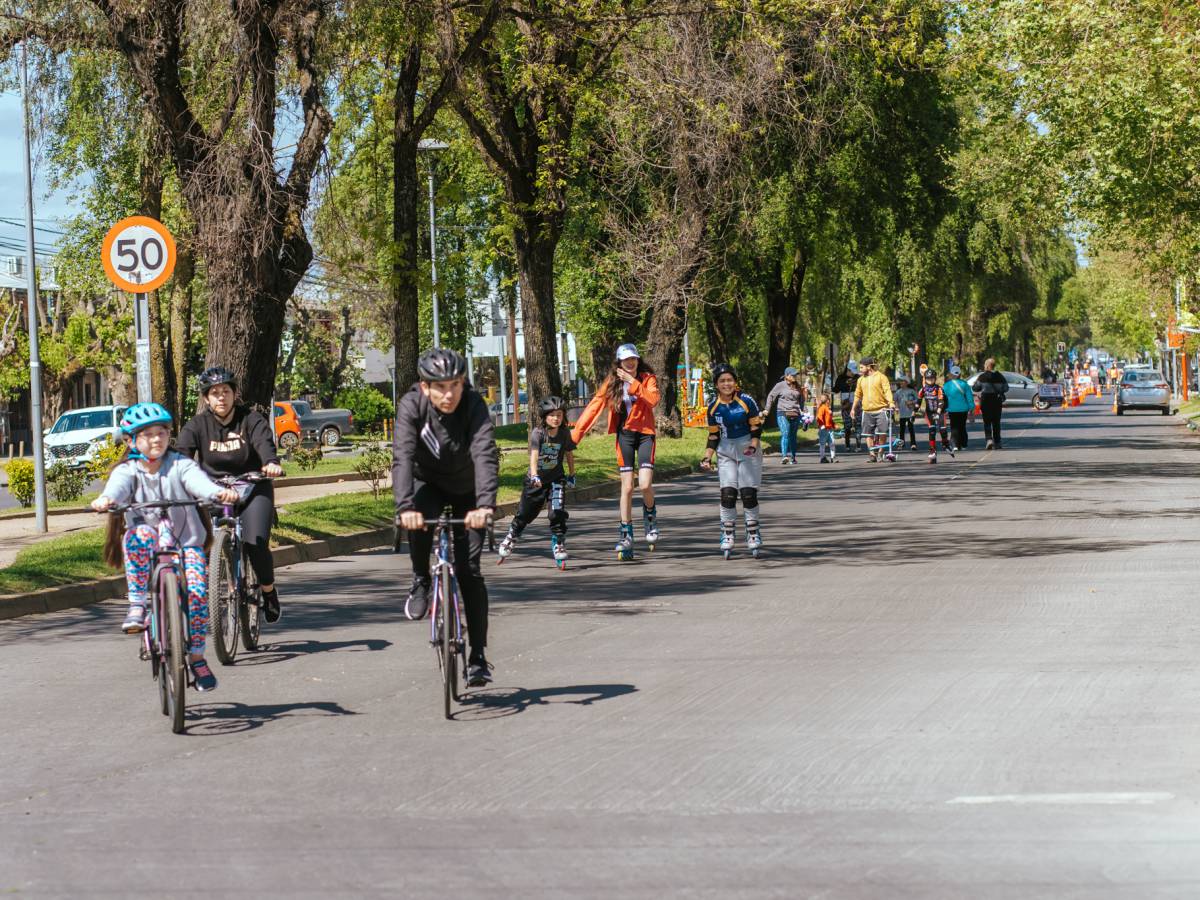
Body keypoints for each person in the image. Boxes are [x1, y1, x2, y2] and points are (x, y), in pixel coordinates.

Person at [93, 403, 240, 693]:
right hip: (150, 544)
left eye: (161, 432)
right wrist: (106, 500)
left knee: (197, 594)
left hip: (185, 544)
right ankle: (138, 605)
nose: (156, 439)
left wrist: (217, 492)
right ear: (132, 440)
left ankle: (197, 658)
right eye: (147, 434)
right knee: (138, 535)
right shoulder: (129, 470)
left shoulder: (179, 464)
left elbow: (198, 482)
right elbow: (116, 488)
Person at [393, 348, 498, 686]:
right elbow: (403, 457)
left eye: (455, 384)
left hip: (468, 489)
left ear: (463, 382)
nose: (448, 394)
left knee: (470, 571)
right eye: (440, 387)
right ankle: (421, 578)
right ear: (425, 388)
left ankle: (478, 656)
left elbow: (484, 453)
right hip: (429, 482)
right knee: (420, 518)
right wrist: (404, 507)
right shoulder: (412, 406)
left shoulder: (473, 405)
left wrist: (485, 506)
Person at [176, 366, 285, 622]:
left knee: (255, 544)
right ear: (206, 399)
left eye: (226, 391)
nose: (221, 397)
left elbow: (263, 443)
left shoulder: (251, 419)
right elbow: (182, 454)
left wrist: (271, 462)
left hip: (252, 488)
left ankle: (268, 591)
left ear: (235, 394)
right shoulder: (197, 425)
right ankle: (207, 585)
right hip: (213, 491)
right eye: (214, 393)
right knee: (195, 541)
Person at [572, 343, 660, 559]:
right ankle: (626, 533)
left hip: (646, 434)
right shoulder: (612, 383)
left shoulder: (648, 378)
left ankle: (650, 518)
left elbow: (653, 400)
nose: (631, 363)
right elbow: (594, 406)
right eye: (626, 360)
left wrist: (633, 382)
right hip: (625, 436)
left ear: (638, 360)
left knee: (645, 484)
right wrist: (575, 436)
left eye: (634, 359)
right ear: (619, 363)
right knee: (627, 487)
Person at [497, 396, 577, 566]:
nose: (556, 418)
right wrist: (534, 475)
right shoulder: (538, 433)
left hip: (556, 479)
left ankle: (559, 542)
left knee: (556, 512)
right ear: (544, 416)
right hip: (535, 481)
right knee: (526, 513)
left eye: (559, 415)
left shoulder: (564, 433)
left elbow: (569, 453)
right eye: (552, 415)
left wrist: (572, 474)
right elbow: (533, 456)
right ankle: (512, 535)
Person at [699, 364, 764, 556]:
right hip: (726, 450)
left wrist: (753, 445)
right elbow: (713, 436)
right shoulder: (713, 407)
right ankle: (727, 534)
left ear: (735, 382)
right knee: (727, 492)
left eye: (730, 380)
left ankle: (753, 533)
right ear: (716, 385)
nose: (727, 384)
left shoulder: (746, 401)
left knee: (747, 493)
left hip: (747, 448)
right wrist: (707, 457)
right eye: (722, 381)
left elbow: (756, 427)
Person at [851, 357, 895, 462]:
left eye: (861, 367)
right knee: (868, 434)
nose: (860, 369)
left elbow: (887, 391)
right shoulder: (860, 380)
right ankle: (872, 454)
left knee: (882, 433)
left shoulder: (881, 377)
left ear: (869, 366)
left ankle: (880, 453)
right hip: (867, 411)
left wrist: (891, 403)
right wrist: (853, 408)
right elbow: (857, 395)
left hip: (881, 410)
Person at [764, 366, 806, 465]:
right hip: (782, 412)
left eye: (796, 374)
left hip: (795, 413)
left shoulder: (797, 386)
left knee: (793, 436)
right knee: (785, 433)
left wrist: (804, 411)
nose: (795, 376)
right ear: (787, 376)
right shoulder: (780, 385)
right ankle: (784, 456)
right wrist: (767, 409)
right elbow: (771, 396)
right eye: (793, 374)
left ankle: (793, 457)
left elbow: (801, 400)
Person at [915, 369, 955, 464]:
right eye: (928, 378)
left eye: (932, 378)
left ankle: (945, 443)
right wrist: (913, 413)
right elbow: (918, 402)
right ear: (925, 379)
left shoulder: (939, 389)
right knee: (932, 430)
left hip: (940, 412)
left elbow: (941, 402)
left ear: (935, 379)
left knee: (943, 430)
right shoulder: (923, 390)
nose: (930, 380)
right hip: (929, 412)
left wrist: (938, 412)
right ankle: (932, 450)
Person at [972, 358, 1009, 449]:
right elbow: (1006, 388)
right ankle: (998, 442)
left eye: (985, 365)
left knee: (987, 421)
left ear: (987, 366)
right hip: (996, 401)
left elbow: (975, 388)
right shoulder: (1000, 376)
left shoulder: (982, 377)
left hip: (985, 401)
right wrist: (999, 390)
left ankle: (989, 440)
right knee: (996, 422)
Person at [833, 360, 862, 452]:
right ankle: (847, 444)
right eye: (851, 371)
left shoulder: (859, 378)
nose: (853, 374)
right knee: (847, 425)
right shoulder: (841, 378)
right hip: (846, 405)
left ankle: (858, 445)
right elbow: (836, 389)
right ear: (848, 370)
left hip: (857, 404)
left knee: (858, 424)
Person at [943, 365, 973, 451]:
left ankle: (954, 444)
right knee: (962, 426)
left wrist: (943, 408)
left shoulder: (946, 386)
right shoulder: (965, 384)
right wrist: (971, 408)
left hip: (952, 409)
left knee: (954, 426)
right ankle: (963, 444)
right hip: (963, 409)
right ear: (960, 374)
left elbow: (943, 398)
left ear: (951, 374)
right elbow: (969, 398)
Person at [893, 373, 918, 450]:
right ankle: (901, 444)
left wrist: (912, 402)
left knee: (911, 429)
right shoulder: (898, 392)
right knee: (901, 430)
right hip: (901, 414)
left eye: (903, 381)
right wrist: (896, 409)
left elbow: (917, 399)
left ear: (907, 382)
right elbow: (895, 401)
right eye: (900, 381)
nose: (901, 383)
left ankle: (913, 444)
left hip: (910, 413)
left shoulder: (912, 391)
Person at [815, 393, 837, 463]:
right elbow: (819, 418)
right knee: (822, 444)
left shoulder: (827, 408)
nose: (829, 402)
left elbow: (830, 419)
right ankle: (822, 457)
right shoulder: (822, 408)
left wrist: (834, 425)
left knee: (832, 443)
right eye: (829, 400)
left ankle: (833, 457)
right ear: (827, 401)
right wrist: (822, 425)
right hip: (824, 429)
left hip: (830, 429)